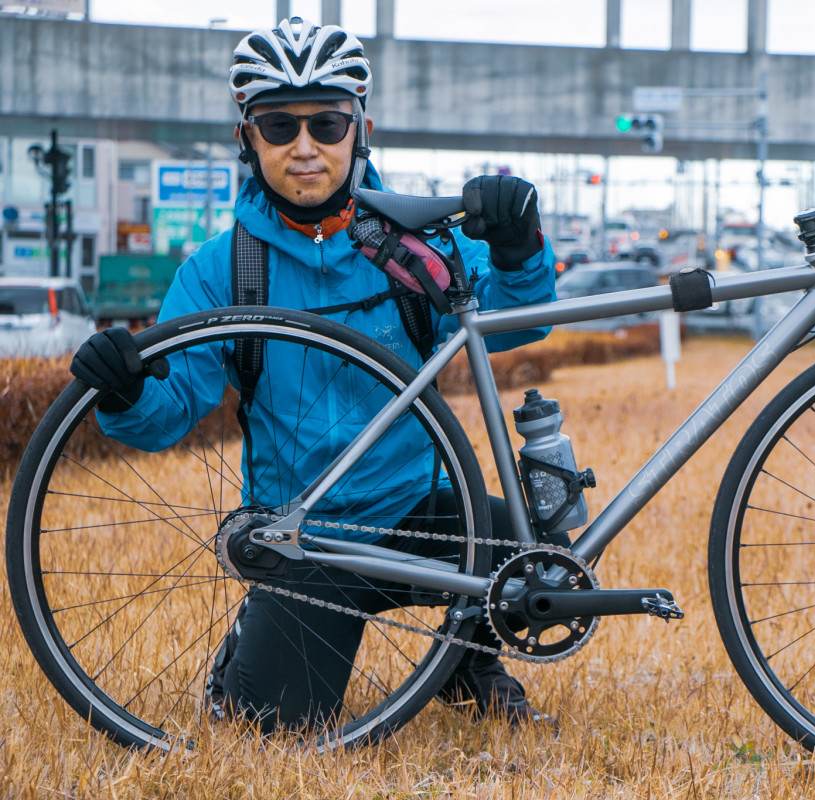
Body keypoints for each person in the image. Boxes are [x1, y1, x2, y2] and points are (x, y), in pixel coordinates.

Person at [69, 16, 558, 733]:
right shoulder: (221, 272)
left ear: (362, 127)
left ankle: (466, 660)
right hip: (307, 532)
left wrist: (519, 250)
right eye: (278, 125)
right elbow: (169, 410)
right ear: (247, 137)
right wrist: (124, 386)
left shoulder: (416, 250)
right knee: (274, 730)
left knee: (532, 548)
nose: (305, 148)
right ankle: (251, 642)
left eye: (327, 123)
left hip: (415, 507)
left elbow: (519, 322)